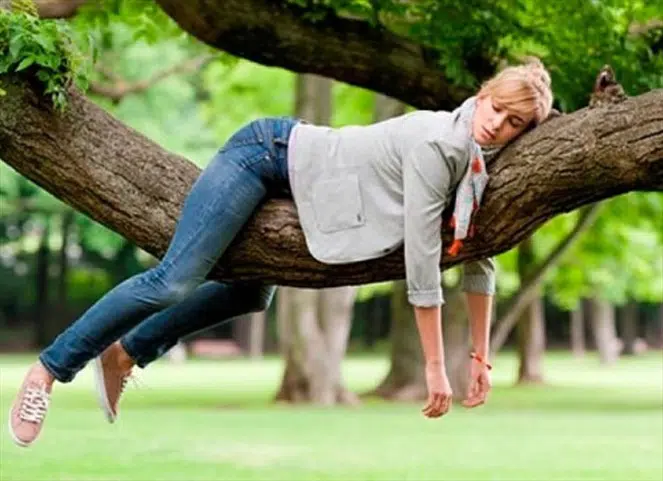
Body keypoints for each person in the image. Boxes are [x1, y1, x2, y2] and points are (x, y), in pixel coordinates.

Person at [9, 57, 554, 447]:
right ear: (483, 95)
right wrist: (437, 367)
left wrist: (479, 357)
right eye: (498, 110)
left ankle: (127, 351)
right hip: (265, 154)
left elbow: (476, 256)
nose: (498, 125)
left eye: (513, 125)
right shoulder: (443, 144)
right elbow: (423, 263)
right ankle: (48, 372)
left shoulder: (477, 169)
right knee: (175, 279)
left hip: (303, 184)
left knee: (252, 293)